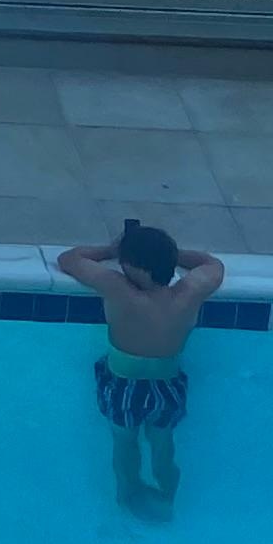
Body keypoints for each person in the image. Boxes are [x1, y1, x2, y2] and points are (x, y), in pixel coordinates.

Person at [53, 218, 224, 512]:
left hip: (123, 385)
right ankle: (168, 498)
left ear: (133, 266)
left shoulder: (117, 289)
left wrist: (110, 250)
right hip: (168, 387)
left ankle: (128, 494)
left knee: (124, 441)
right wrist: (170, 253)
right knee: (162, 445)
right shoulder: (190, 292)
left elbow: (68, 259)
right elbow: (214, 264)